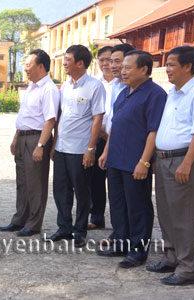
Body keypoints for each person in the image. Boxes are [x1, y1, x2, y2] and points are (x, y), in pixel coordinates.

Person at [98, 50, 167, 268]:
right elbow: (115, 125)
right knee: (118, 204)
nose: (122, 71)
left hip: (135, 161)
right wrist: (106, 152)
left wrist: (144, 161)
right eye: (122, 67)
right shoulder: (124, 93)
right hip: (116, 159)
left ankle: (138, 250)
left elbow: (153, 132)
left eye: (128, 67)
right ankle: (120, 242)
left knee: (138, 205)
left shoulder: (155, 94)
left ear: (144, 69)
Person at [147, 46, 194, 286]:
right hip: (164, 159)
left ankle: (188, 268)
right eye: (166, 64)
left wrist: (187, 163)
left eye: (171, 64)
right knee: (167, 213)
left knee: (183, 216)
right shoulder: (172, 93)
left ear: (187, 66)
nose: (166, 69)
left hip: (182, 160)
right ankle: (171, 257)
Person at [46, 45, 105, 248]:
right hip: (62, 148)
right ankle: (64, 228)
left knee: (82, 192)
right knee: (60, 190)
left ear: (80, 63)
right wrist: (54, 143)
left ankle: (80, 231)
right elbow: (60, 116)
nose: (64, 63)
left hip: (80, 150)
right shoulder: (66, 86)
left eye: (68, 59)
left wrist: (91, 149)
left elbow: (97, 120)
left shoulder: (95, 86)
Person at [0, 49, 59, 236]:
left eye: (28, 64)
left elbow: (50, 120)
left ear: (40, 66)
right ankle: (19, 219)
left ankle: (33, 224)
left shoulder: (49, 89)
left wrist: (41, 146)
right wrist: (16, 138)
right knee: (22, 183)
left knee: (35, 184)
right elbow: (25, 115)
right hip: (23, 137)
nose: (25, 68)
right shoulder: (32, 87)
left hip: (36, 138)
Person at [98, 43, 135, 246]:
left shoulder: (141, 91)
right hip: (112, 146)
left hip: (130, 151)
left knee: (132, 199)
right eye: (110, 61)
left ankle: (132, 241)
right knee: (116, 197)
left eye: (117, 62)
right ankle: (119, 234)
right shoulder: (118, 88)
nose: (112, 66)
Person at [88, 46, 113, 231]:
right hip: (97, 137)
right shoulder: (94, 83)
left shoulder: (122, 83)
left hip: (116, 138)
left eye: (109, 60)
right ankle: (96, 217)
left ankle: (120, 223)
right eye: (101, 60)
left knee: (115, 182)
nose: (105, 64)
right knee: (95, 180)